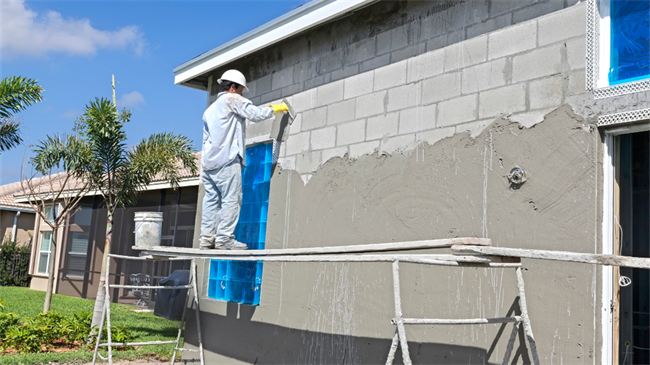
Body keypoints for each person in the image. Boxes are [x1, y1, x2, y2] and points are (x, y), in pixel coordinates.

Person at [200, 69, 288, 250]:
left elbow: (205, 140)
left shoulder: (209, 111)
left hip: (209, 164)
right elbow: (255, 114)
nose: (242, 93)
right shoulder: (232, 99)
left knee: (211, 201)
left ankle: (206, 240)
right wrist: (275, 109)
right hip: (227, 160)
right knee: (231, 199)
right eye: (241, 90)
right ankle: (224, 239)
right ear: (233, 87)